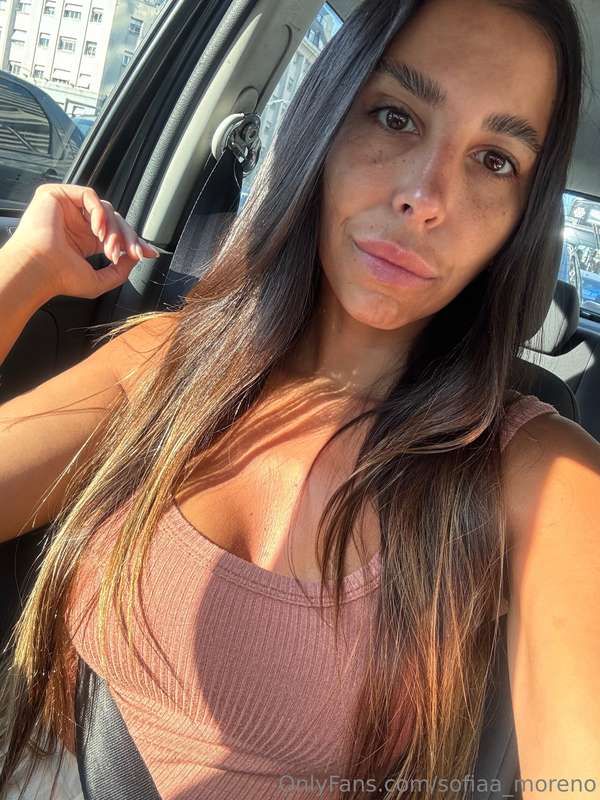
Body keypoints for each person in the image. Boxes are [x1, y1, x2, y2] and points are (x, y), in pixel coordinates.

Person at [1, 0, 600, 798]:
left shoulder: (545, 476)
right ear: (325, 120)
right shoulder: (165, 362)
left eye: (495, 160)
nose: (426, 196)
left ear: (521, 220)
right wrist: (24, 273)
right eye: (395, 115)